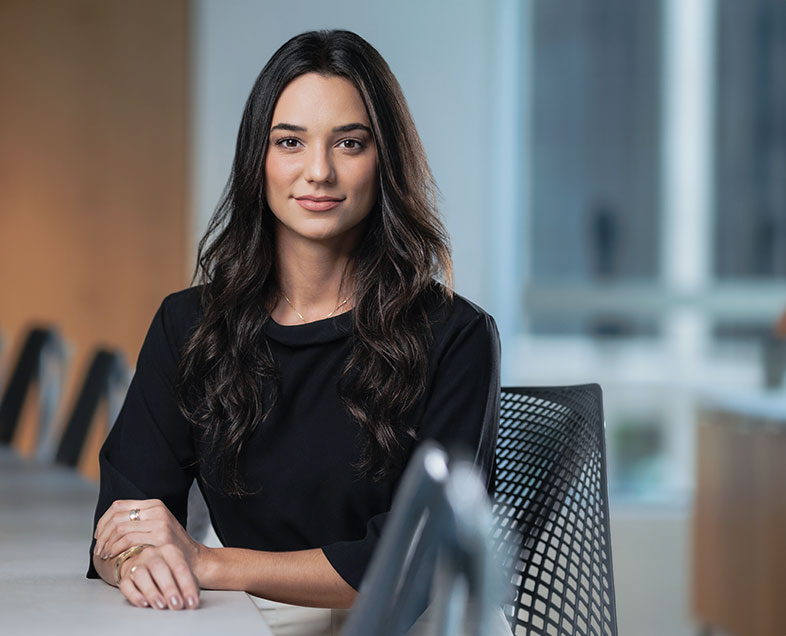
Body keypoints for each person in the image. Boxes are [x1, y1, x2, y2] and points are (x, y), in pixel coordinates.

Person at [88, 29, 501, 635]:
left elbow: (416, 560)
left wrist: (205, 561)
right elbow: (122, 518)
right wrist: (136, 556)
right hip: (254, 619)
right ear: (259, 158)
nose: (319, 171)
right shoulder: (190, 327)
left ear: (384, 159)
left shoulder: (455, 336)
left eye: (350, 143)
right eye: (290, 142)